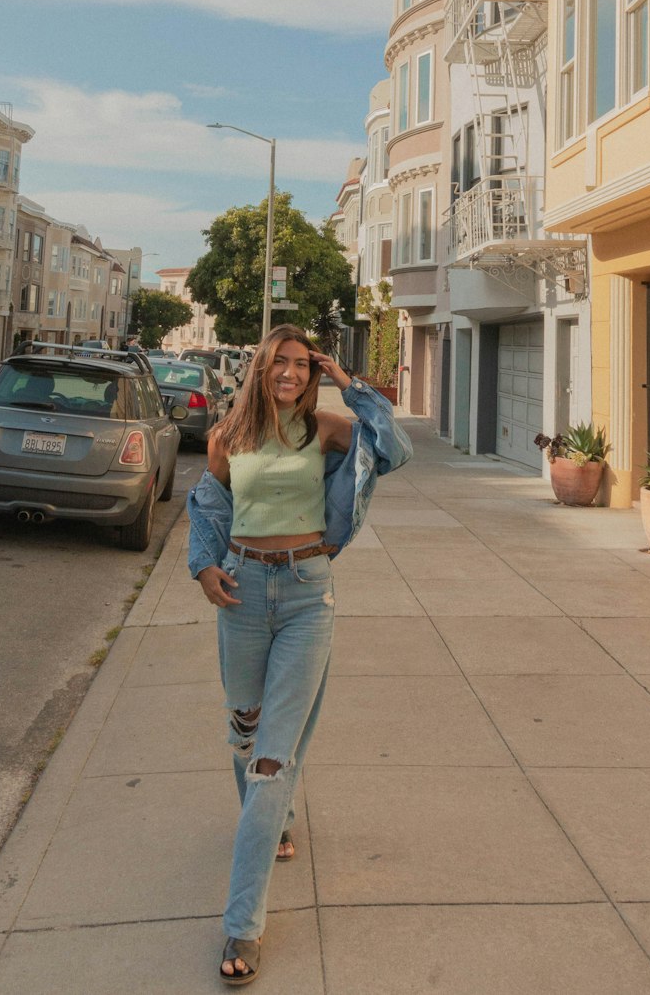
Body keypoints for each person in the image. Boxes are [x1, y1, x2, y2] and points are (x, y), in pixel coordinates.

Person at [187, 323, 412, 986]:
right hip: (243, 593)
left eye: (300, 363)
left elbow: (393, 450)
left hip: (309, 592)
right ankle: (276, 816)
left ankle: (241, 924)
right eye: (277, 362)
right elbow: (208, 507)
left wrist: (349, 382)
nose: (288, 371)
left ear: (312, 371)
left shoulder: (328, 428)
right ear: (259, 369)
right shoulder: (229, 437)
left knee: (269, 760)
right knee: (243, 733)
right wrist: (204, 567)